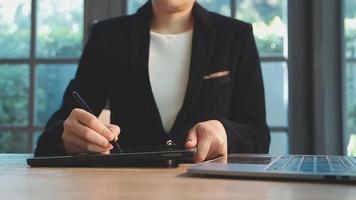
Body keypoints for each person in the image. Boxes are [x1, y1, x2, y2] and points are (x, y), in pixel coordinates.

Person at [35, 0, 270, 162]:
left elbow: (258, 134)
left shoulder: (236, 36)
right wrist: (69, 137)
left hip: (210, 187)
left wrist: (226, 131)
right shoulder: (108, 36)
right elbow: (55, 131)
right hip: (126, 186)